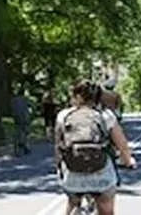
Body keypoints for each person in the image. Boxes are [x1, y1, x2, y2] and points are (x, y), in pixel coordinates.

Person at [55, 80, 136, 215]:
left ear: (77, 97)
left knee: (72, 201)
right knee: (106, 208)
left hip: (72, 174)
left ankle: (73, 208)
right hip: (101, 175)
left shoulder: (63, 116)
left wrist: (59, 167)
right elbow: (122, 146)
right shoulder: (106, 115)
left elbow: (58, 146)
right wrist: (128, 161)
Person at [10, 88, 32, 156]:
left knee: (17, 132)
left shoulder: (13, 100)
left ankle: (17, 149)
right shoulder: (25, 99)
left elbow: (12, 109)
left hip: (17, 118)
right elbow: (29, 106)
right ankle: (25, 146)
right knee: (26, 132)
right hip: (25, 117)